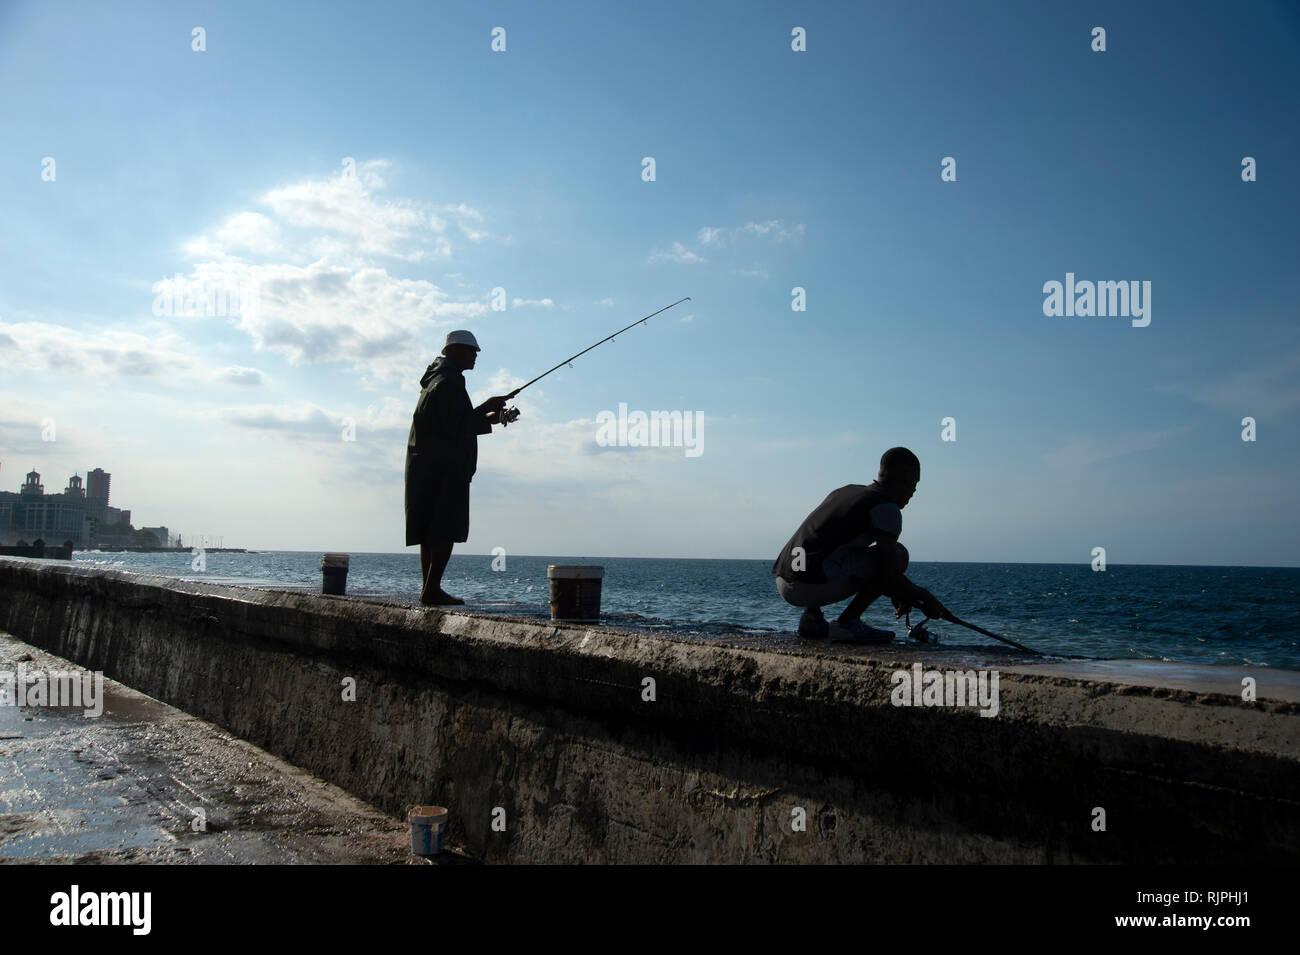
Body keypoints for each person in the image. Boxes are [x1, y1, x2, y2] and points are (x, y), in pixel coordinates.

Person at [771, 447, 948, 642]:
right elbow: (889, 574)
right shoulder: (887, 508)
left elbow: (818, 542)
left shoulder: (846, 492)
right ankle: (848, 622)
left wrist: (897, 591)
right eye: (915, 483)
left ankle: (812, 618)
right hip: (808, 587)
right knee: (899, 554)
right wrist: (926, 597)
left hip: (784, 580)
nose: (914, 491)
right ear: (905, 478)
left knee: (829, 549)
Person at [405, 330, 513, 605]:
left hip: (427, 465)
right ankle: (431, 589)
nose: (476, 355)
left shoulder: (438, 380)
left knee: (429, 529)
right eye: (471, 350)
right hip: (444, 468)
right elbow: (455, 426)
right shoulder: (448, 382)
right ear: (455, 351)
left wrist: (489, 416)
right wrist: (486, 407)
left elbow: (453, 422)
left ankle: (429, 588)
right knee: (444, 528)